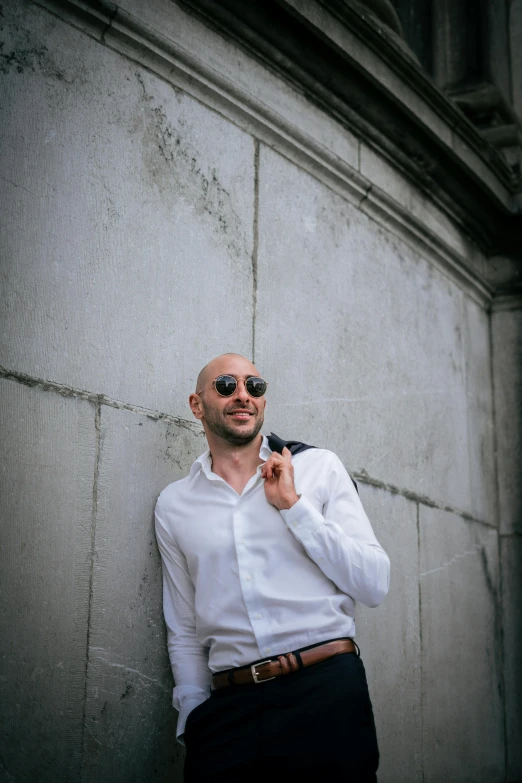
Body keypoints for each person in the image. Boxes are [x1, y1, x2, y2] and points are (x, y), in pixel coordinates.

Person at [155, 353, 390, 782]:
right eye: (226, 385)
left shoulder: (317, 468)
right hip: (229, 711)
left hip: (326, 694)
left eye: (254, 387)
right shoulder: (174, 504)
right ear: (196, 404)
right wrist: (192, 715)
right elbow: (184, 624)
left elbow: (374, 583)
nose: (242, 395)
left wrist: (294, 508)